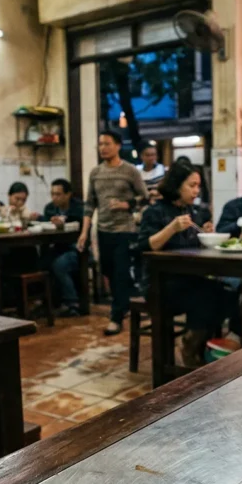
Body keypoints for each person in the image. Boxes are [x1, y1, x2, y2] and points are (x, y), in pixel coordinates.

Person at [137, 162, 234, 367]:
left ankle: (197, 343)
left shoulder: (195, 213)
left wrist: (207, 235)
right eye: (191, 185)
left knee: (227, 293)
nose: (196, 191)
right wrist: (171, 228)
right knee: (205, 297)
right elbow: (145, 246)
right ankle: (190, 348)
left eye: (198, 186)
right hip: (161, 284)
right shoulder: (155, 212)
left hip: (189, 279)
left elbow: (195, 247)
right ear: (177, 185)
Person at [78, 130, 148, 335]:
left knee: (119, 273)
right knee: (107, 271)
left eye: (107, 143)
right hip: (103, 230)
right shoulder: (95, 173)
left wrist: (127, 204)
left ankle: (116, 317)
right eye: (100, 144)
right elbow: (89, 205)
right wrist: (84, 232)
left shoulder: (130, 171)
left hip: (125, 230)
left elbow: (143, 197)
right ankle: (124, 305)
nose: (103, 148)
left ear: (118, 145)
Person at [41, 179, 88, 317]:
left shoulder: (79, 208)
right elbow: (45, 225)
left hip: (77, 249)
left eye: (58, 194)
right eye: (52, 194)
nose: (54, 197)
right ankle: (49, 302)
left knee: (60, 265)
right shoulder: (49, 208)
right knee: (42, 262)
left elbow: (81, 228)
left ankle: (72, 303)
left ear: (68, 195)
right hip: (57, 247)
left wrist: (64, 222)